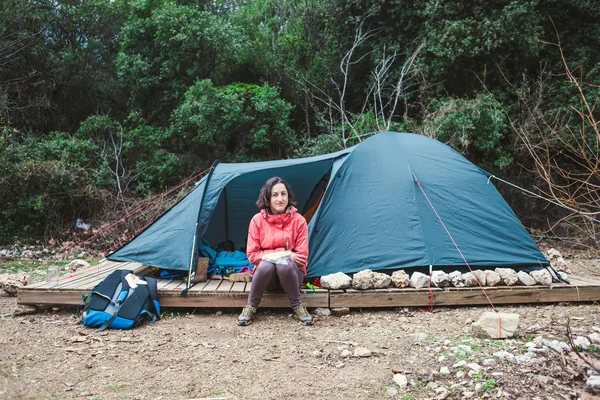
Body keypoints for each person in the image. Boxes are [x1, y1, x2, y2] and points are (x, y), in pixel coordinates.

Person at [237, 177, 313, 326]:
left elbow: (302, 257)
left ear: (288, 196)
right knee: (266, 265)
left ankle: (298, 306)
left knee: (283, 264)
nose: (280, 199)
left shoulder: (299, 221)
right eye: (275, 195)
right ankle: (251, 306)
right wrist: (287, 253)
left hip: (292, 276)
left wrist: (274, 256)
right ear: (267, 198)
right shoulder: (257, 221)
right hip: (268, 279)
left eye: (283, 194)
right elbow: (252, 255)